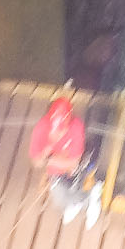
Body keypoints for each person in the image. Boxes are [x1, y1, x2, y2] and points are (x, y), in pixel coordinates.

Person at [29, 92, 105, 226]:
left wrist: (49, 158)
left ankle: (88, 199)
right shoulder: (41, 128)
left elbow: (73, 163)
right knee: (60, 200)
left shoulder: (76, 126)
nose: (58, 132)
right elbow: (36, 162)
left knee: (76, 177)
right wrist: (52, 154)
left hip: (75, 166)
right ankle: (88, 198)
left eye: (62, 129)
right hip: (56, 172)